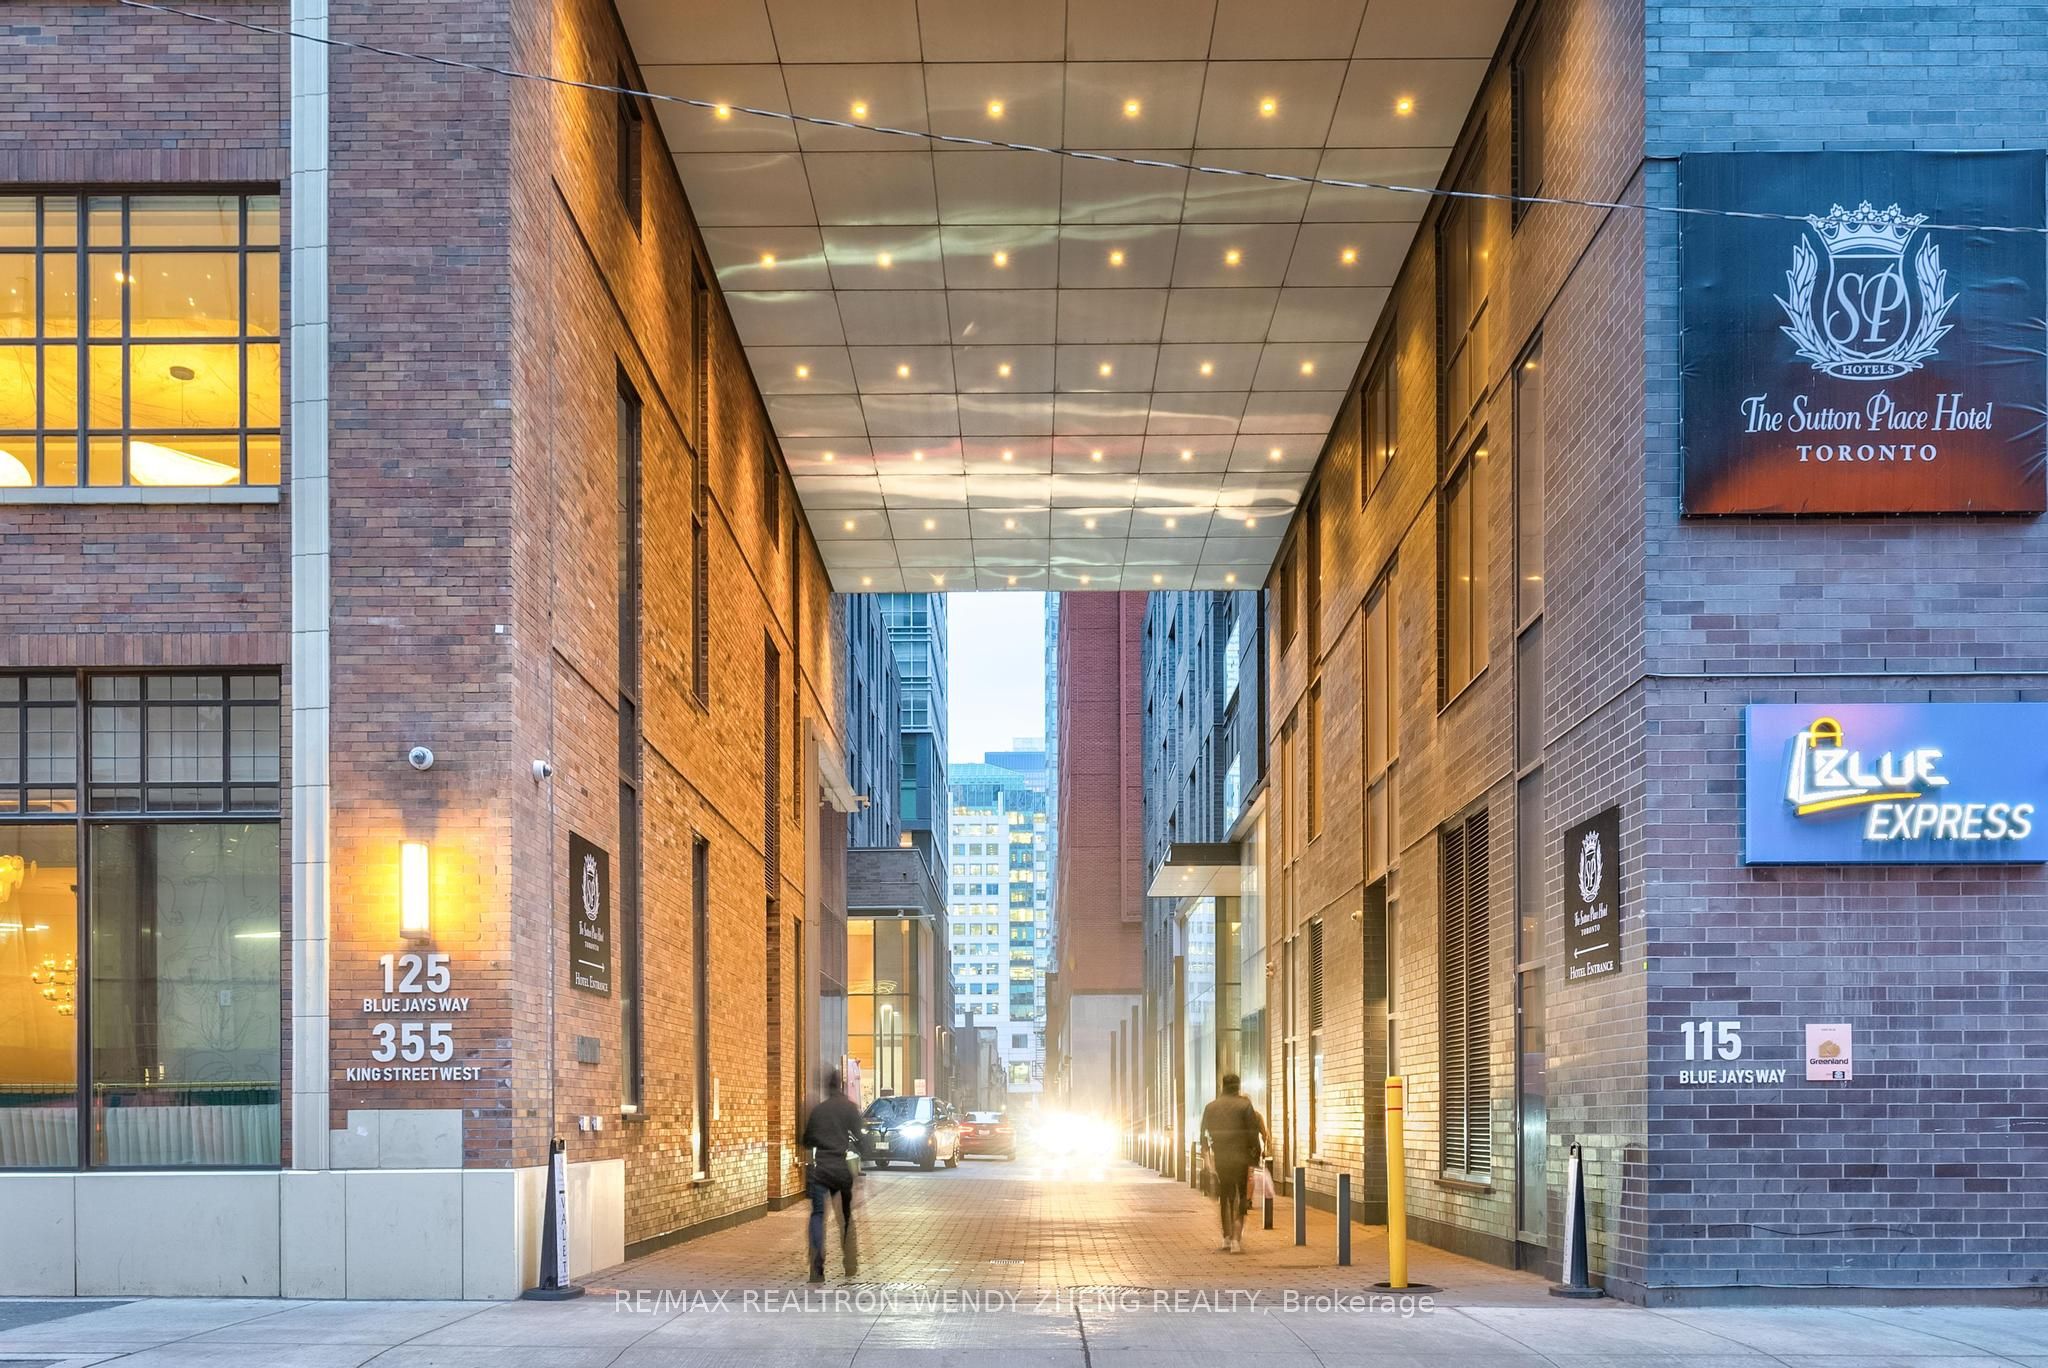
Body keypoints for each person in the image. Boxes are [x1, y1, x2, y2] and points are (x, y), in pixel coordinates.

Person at [798, 1070, 870, 1283]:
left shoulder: (819, 1110)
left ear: (826, 1087)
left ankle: (816, 1268)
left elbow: (806, 1140)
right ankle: (850, 1263)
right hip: (840, 1168)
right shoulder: (848, 1108)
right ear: (841, 1085)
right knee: (845, 1216)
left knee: (818, 1215)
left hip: (821, 1169)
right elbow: (861, 1138)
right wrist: (863, 1157)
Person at [1199, 1073, 1269, 1253]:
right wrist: (1255, 1156)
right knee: (1241, 1195)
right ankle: (1237, 1239)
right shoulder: (1245, 1105)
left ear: (1222, 1086)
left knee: (1225, 1195)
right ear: (1238, 1086)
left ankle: (1226, 1237)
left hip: (1221, 1157)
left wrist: (1207, 1155)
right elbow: (1252, 1134)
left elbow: (1203, 1134)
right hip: (1241, 1157)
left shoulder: (1211, 1107)